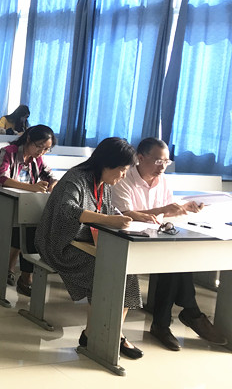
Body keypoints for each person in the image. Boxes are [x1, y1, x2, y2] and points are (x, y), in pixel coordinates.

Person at [35, 137, 154, 360]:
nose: (123, 176)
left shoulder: (103, 183)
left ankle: (104, 333)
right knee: (106, 272)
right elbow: (68, 209)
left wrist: (129, 217)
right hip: (59, 244)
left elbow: (107, 212)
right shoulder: (76, 178)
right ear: (107, 163)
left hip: (86, 243)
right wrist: (110, 220)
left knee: (126, 273)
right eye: (122, 170)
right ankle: (105, 335)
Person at [113, 138, 227, 350]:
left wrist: (184, 208)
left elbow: (165, 212)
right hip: (128, 241)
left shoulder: (163, 181)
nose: (163, 167)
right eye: (158, 161)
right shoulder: (124, 178)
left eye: (166, 162)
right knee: (173, 262)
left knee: (175, 260)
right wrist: (164, 210)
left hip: (157, 238)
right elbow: (125, 214)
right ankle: (185, 314)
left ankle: (166, 323)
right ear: (140, 158)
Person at [0, 125, 58, 296]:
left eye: (46, 149)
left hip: (21, 207)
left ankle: (24, 275)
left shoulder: (37, 159)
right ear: (28, 139)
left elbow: (50, 176)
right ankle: (13, 270)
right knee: (25, 224)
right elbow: (1, 178)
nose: (41, 152)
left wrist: (52, 184)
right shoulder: (9, 152)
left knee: (33, 224)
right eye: (39, 146)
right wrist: (31, 187)